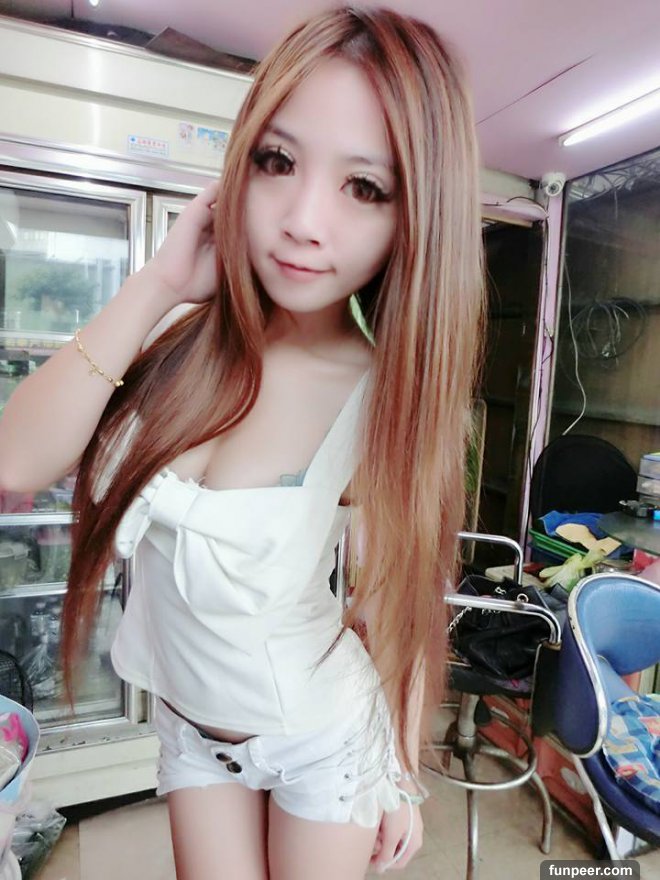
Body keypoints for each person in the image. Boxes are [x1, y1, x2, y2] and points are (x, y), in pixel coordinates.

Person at [0, 5, 484, 878]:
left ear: (416, 215)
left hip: (321, 737)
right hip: (189, 732)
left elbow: (402, 594)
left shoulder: (389, 396)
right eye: (278, 161)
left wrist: (399, 770)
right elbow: (14, 463)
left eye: (364, 187)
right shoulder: (171, 340)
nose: (303, 220)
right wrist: (158, 283)